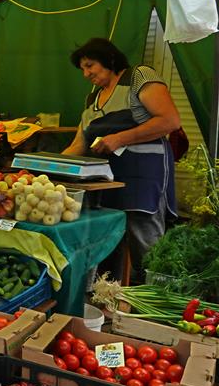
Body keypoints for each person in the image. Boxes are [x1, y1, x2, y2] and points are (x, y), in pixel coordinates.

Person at [63, 38, 181, 281]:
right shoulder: (92, 100)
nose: (86, 74)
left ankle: (154, 303)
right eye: (82, 69)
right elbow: (79, 144)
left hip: (144, 178)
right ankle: (108, 303)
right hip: (107, 184)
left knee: (145, 243)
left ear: (110, 59)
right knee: (107, 242)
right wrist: (41, 168)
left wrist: (120, 138)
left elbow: (170, 121)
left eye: (90, 65)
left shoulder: (139, 77)